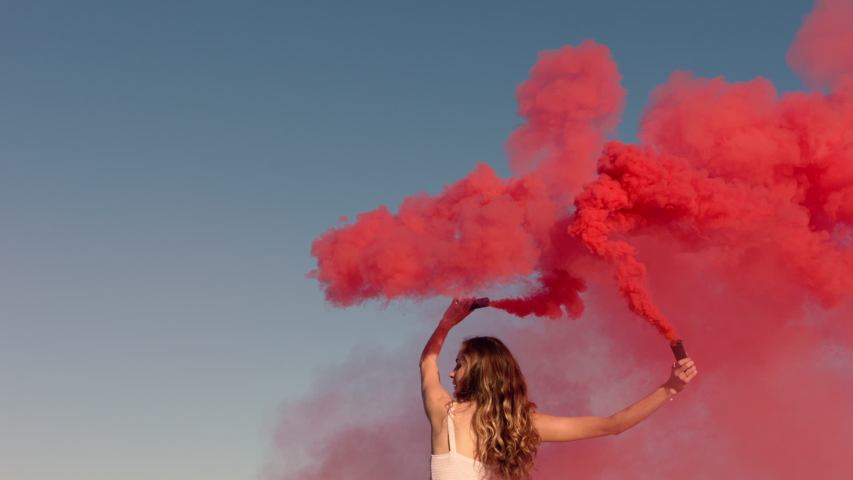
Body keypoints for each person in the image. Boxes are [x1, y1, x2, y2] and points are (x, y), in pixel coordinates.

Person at [420, 297, 698, 480]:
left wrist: (446, 324)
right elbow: (612, 425)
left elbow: (427, 363)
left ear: (480, 373)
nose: (451, 373)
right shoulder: (519, 424)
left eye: (459, 365)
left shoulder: (443, 414)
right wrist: (671, 388)